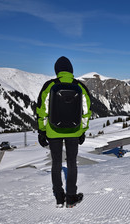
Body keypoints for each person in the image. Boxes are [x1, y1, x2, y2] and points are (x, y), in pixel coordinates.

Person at [36, 56, 92, 208]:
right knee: (72, 163)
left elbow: (42, 110)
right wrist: (82, 131)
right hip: (74, 131)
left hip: (53, 131)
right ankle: (71, 197)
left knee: (56, 163)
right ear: (71, 70)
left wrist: (42, 130)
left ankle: (59, 197)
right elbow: (87, 111)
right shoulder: (79, 86)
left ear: (57, 71)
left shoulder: (49, 85)